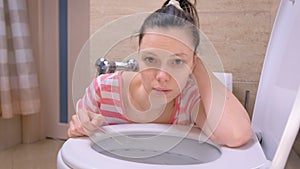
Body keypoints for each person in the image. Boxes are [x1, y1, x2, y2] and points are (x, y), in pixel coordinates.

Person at [68, 0, 252, 147]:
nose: (162, 76)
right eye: (150, 59)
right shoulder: (103, 89)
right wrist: (79, 128)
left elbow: (236, 135)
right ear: (138, 54)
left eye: (177, 62)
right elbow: (78, 144)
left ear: (193, 63)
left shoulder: (188, 99)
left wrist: (198, 66)